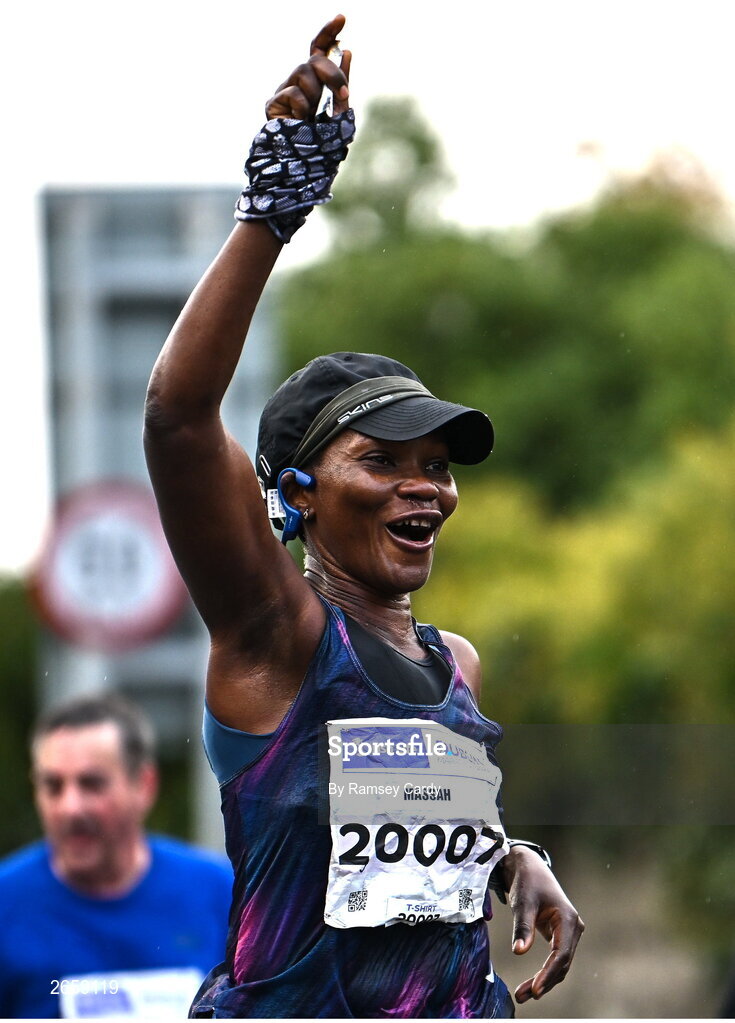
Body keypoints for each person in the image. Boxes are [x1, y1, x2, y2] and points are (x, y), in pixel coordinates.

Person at [144, 15, 584, 1019]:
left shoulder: (456, 665)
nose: (423, 486)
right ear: (297, 496)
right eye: (380, 462)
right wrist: (274, 210)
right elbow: (176, 417)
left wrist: (514, 859)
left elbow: (414, 837)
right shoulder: (280, 639)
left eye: (435, 466)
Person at [0, 693, 233, 1019]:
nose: (71, 807)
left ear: (144, 785)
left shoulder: (221, 893)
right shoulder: (6, 904)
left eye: (91, 784)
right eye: (53, 785)